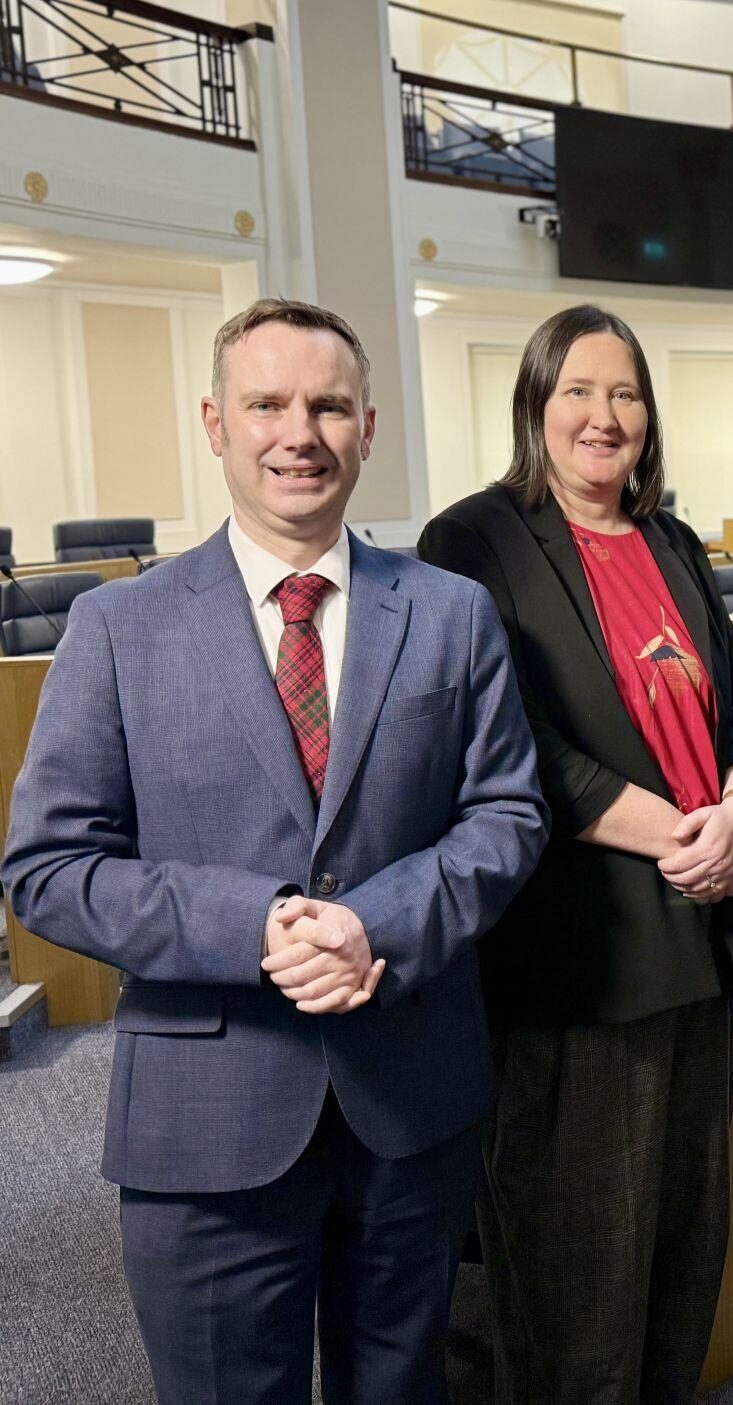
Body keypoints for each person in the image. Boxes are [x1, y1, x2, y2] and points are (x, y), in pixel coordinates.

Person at [1, 298, 549, 1404]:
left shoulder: (450, 613)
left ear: (367, 427)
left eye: (329, 406)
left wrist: (370, 924)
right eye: (267, 404)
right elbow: (49, 868)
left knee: (399, 1387)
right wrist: (254, 925)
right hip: (206, 1112)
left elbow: (508, 817)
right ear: (216, 423)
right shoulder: (119, 628)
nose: (300, 432)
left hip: (409, 1098)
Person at [417, 304, 733, 1405]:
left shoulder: (671, 541)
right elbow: (508, 741)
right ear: (535, 402)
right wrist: (682, 833)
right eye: (577, 389)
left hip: (701, 936)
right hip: (579, 956)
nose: (602, 415)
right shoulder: (473, 541)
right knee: (575, 1271)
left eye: (624, 393)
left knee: (682, 1250)